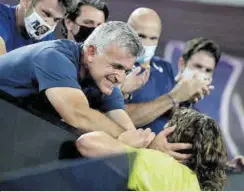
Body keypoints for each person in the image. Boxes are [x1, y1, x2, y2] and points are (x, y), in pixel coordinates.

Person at [0, 21, 146, 141]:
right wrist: (123, 136)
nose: (120, 78)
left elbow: (130, 134)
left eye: (126, 71)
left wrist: (140, 141)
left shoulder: (103, 81)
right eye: (116, 66)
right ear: (91, 52)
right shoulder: (54, 57)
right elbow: (77, 114)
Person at [76, 107, 227, 191]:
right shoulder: (196, 185)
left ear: (171, 136)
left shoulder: (163, 167)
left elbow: (88, 143)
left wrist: (127, 143)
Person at [123, 8, 218, 135]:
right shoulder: (117, 68)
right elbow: (119, 119)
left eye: (153, 38)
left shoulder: (164, 67)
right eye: (141, 36)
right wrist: (174, 96)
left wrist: (186, 99)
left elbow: (170, 111)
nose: (147, 43)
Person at [0, 0, 74, 55]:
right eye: (46, 14)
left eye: (56, 20)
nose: (50, 24)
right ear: (26, 2)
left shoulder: (47, 39)